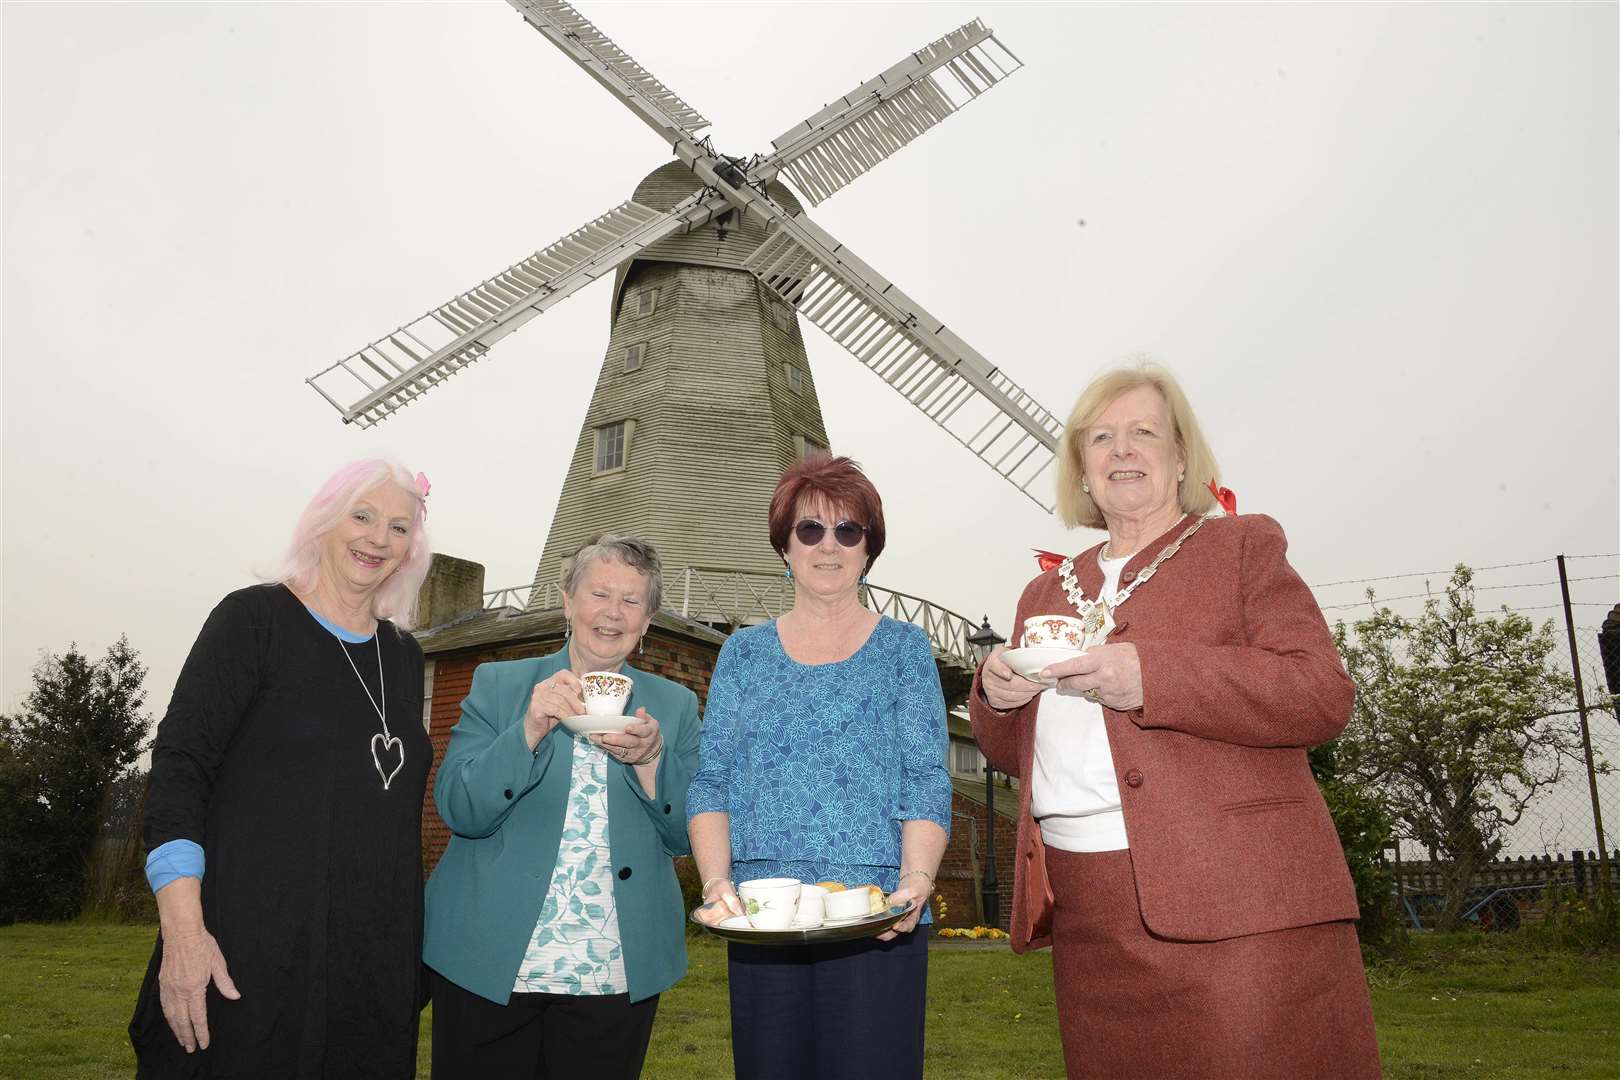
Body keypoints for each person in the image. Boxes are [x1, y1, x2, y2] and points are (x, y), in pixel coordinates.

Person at [970, 364, 1381, 1079]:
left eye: (1143, 433)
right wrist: (997, 698)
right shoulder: (1046, 587)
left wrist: (1151, 675)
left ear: (1182, 455)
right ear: (1081, 467)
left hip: (1236, 905)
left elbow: (1320, 692)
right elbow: (1017, 754)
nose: (1122, 451)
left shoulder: (1242, 547)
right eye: (1101, 437)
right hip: (1088, 912)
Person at [130, 459, 434, 1078]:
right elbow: (180, 770)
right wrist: (186, 935)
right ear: (323, 521)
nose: (379, 538)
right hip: (248, 949)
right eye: (363, 515)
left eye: (399, 527)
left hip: (365, 968)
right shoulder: (253, 621)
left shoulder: (402, 656)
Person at [689, 454, 952, 1080]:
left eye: (847, 531)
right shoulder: (743, 654)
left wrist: (915, 881)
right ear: (784, 546)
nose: (827, 545)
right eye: (809, 529)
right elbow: (712, 779)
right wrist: (715, 884)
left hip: (876, 913)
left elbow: (925, 776)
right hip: (764, 916)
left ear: (868, 548)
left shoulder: (905, 650)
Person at [423, 534, 700, 1080]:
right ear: (568, 600)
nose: (612, 613)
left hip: (613, 968)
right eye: (599, 593)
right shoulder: (500, 685)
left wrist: (650, 761)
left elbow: (687, 835)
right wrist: (526, 730)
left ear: (647, 621)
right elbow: (459, 809)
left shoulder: (675, 705)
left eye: (631, 601)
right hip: (489, 959)